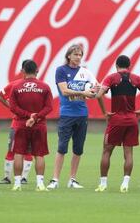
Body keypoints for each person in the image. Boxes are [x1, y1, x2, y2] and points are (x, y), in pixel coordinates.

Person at [95, 55, 140, 192]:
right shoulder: (135, 78)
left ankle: (103, 184)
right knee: (128, 153)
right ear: (129, 66)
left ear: (116, 66)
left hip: (116, 119)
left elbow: (99, 95)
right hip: (131, 120)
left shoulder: (111, 78)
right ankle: (125, 184)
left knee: (106, 151)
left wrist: (105, 112)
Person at [47, 44, 98, 189]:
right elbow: (64, 91)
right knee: (62, 147)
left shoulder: (85, 72)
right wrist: (85, 93)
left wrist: (94, 91)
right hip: (67, 115)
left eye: (80, 55)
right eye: (76, 54)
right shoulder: (61, 70)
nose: (78, 57)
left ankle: (72, 179)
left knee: (78, 149)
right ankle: (55, 179)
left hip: (82, 114)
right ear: (69, 55)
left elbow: (96, 87)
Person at [9, 60, 53, 191]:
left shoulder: (16, 87)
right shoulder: (44, 87)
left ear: (23, 71)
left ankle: (17, 184)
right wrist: (35, 117)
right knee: (39, 154)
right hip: (39, 125)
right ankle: (40, 184)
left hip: (21, 124)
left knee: (18, 153)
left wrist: (28, 116)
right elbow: (49, 107)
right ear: (37, 70)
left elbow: (13, 107)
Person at [0, 60, 34, 185]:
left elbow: (0, 95)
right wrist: (11, 107)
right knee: (20, 150)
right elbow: (1, 95)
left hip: (21, 123)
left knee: (18, 150)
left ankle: (14, 177)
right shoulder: (18, 84)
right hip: (25, 123)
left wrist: (12, 107)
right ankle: (17, 177)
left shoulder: (17, 84)